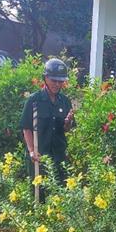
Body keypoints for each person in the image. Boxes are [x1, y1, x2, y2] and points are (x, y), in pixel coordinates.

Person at [20, 58, 74, 187]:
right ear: (45, 78)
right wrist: (32, 150)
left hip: (59, 156)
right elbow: (26, 127)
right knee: (40, 194)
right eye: (53, 80)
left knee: (60, 193)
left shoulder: (65, 101)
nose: (57, 84)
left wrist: (68, 123)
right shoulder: (34, 100)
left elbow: (66, 129)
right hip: (39, 156)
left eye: (60, 81)